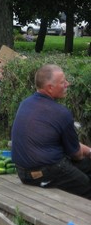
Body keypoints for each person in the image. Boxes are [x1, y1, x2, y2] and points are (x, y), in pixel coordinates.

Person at [12, 64, 91, 199]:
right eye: (63, 82)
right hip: (45, 172)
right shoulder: (61, 113)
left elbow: (70, 147)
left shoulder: (25, 103)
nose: (68, 84)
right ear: (50, 88)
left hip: (22, 171)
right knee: (87, 186)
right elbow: (76, 154)